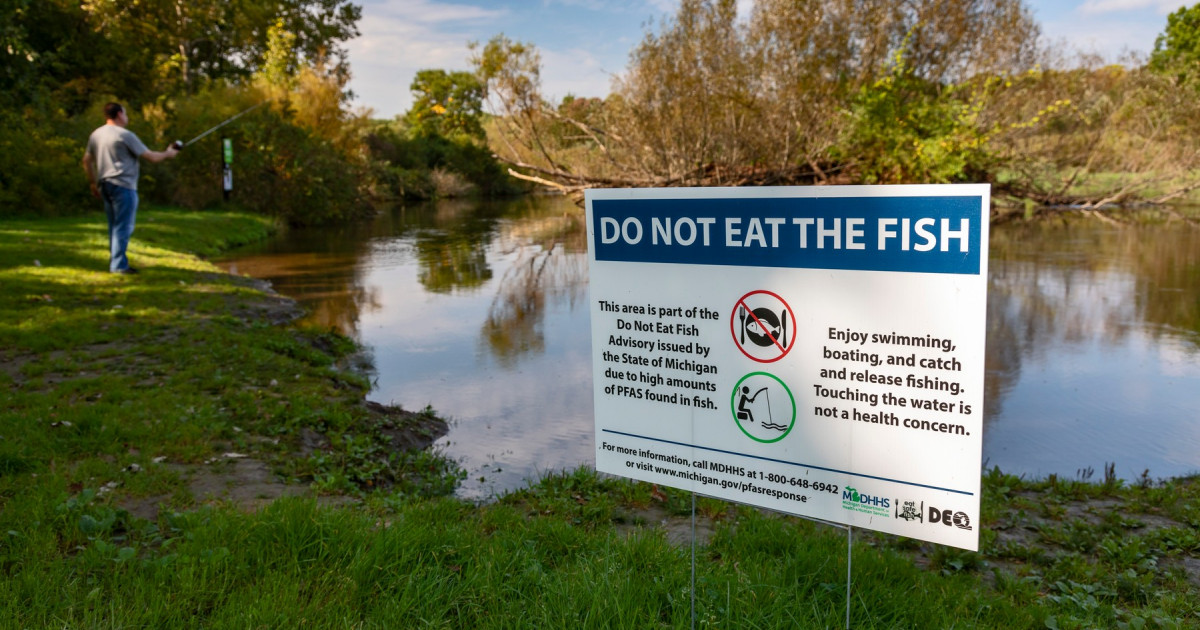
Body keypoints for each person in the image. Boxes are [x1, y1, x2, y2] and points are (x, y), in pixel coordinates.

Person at [82, 102, 180, 274]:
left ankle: (117, 261)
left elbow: (86, 160)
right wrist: (168, 153)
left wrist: (92, 183)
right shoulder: (125, 135)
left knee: (114, 225)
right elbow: (151, 157)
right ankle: (119, 266)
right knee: (124, 226)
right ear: (119, 114)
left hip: (104, 184)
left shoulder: (96, 134)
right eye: (125, 114)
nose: (126, 117)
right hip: (123, 185)